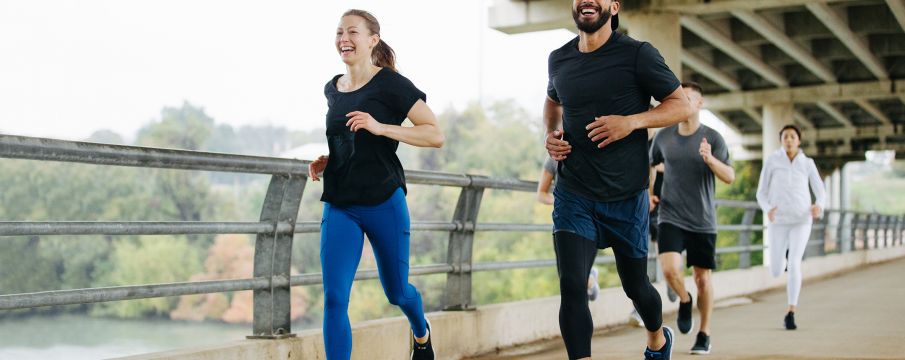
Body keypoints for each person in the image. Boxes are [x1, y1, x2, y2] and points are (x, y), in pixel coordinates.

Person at [544, 1, 694, 358]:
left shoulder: (637, 54)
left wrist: (631, 122)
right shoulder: (559, 58)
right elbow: (552, 101)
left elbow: (682, 105)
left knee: (636, 287)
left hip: (626, 195)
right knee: (572, 286)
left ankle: (657, 337)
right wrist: (551, 134)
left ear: (615, 5)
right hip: (575, 191)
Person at [308, 9, 444, 360]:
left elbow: (434, 134)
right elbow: (348, 137)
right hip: (340, 203)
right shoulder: (333, 88)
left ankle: (420, 331)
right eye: (339, 32)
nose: (343, 39)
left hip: (384, 200)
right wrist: (331, 158)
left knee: (397, 293)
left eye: (352, 32)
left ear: (373, 40)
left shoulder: (391, 85)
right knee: (335, 297)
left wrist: (381, 127)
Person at [649, 82, 735, 355]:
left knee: (702, 280)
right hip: (670, 215)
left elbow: (729, 177)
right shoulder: (663, 137)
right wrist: (651, 192)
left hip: (702, 219)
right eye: (680, 97)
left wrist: (710, 160)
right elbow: (651, 164)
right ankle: (684, 300)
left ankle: (704, 333)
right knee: (670, 270)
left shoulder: (713, 138)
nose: (684, 101)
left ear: (700, 104)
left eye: (689, 98)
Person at [756, 124, 826, 330]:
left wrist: (818, 206)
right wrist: (767, 208)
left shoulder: (807, 163)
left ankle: (791, 311)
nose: (789, 140)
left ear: (799, 141)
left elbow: (820, 191)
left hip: (801, 219)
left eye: (792, 137)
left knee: (795, 262)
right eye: (785, 136)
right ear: (781, 140)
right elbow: (761, 192)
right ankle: (782, 260)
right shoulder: (772, 161)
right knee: (777, 270)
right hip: (778, 220)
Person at [537, 157, 601, 302]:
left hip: (590, 225)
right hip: (563, 225)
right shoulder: (554, 158)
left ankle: (589, 279)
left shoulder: (594, 152)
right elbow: (541, 193)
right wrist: (562, 201)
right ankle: (589, 280)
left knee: (578, 280)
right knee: (567, 281)